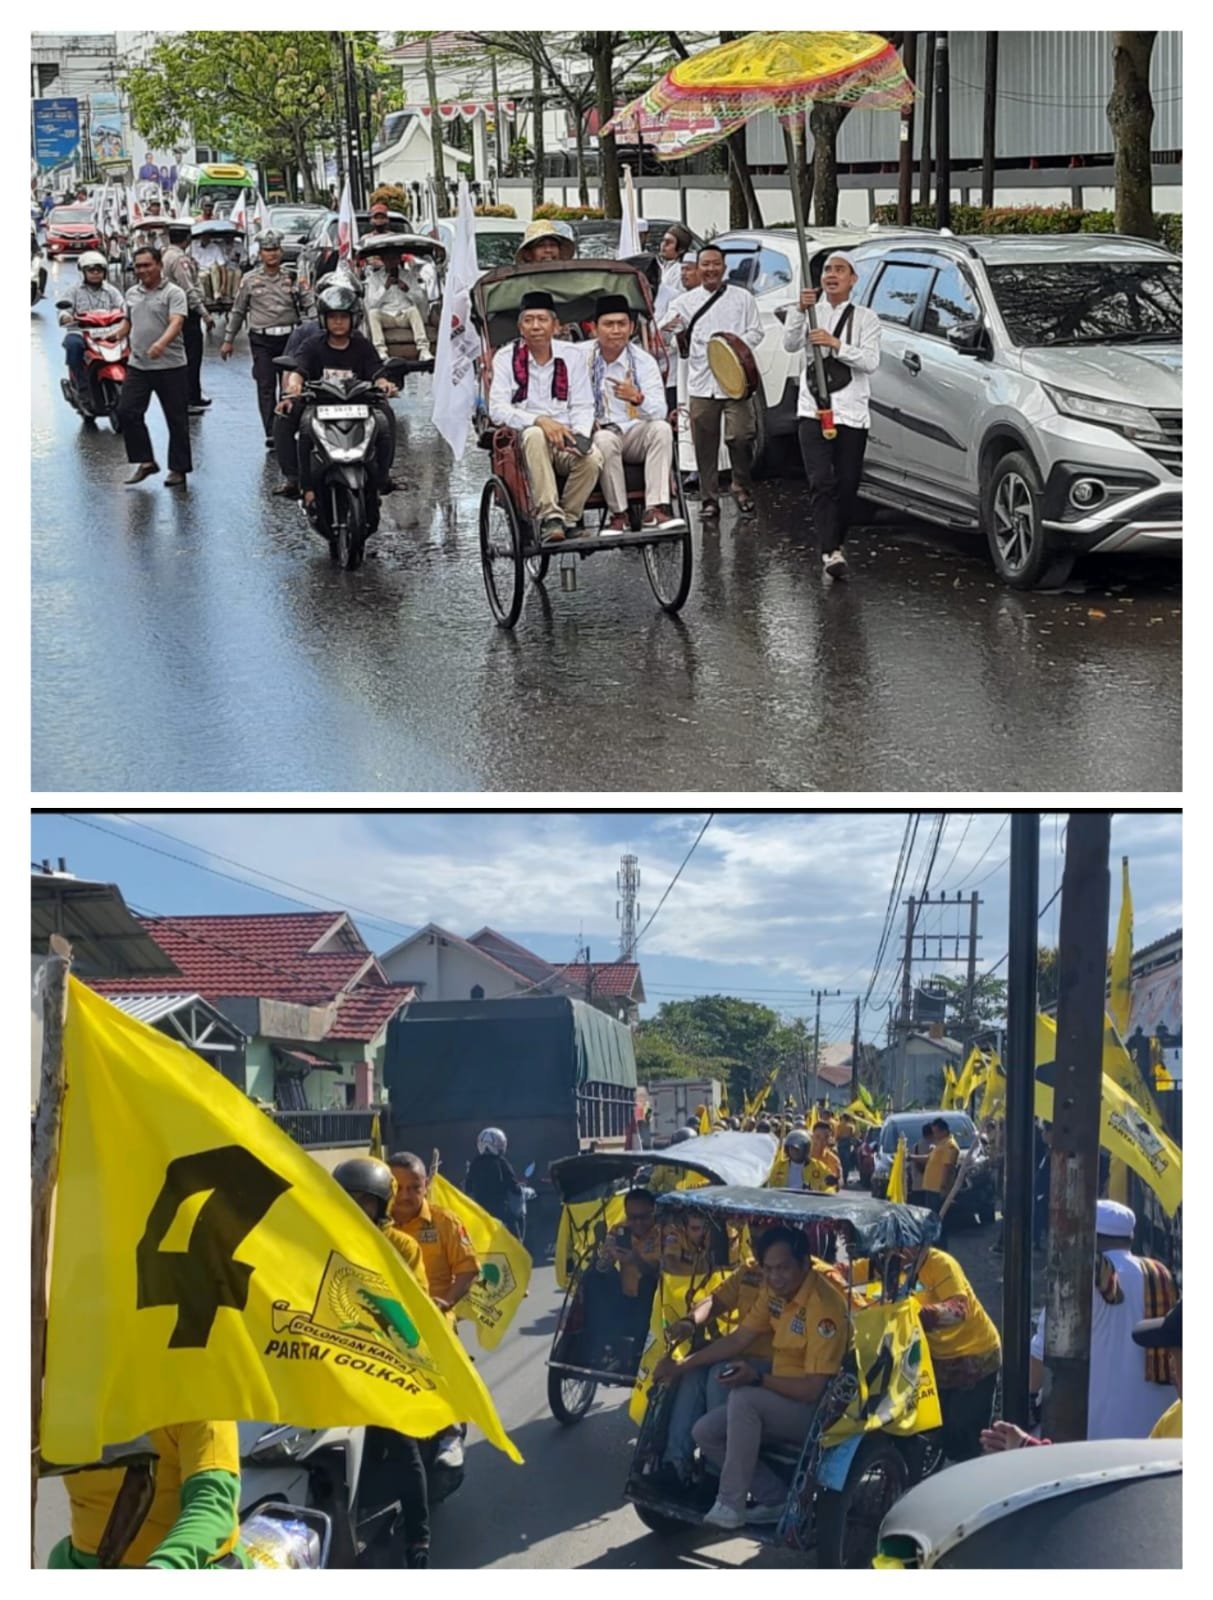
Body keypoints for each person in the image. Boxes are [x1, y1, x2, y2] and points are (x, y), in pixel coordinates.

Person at [662, 1226, 848, 1529]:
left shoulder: (823, 1307)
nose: (775, 1277)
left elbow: (813, 1390)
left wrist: (757, 1380)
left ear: (805, 1264)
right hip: (780, 1398)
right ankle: (775, 1498)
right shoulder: (774, 1294)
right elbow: (737, 1340)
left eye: (784, 1268)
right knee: (704, 1431)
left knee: (744, 1397)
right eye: (770, 1269)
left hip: (815, 1414)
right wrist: (679, 1366)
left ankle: (730, 1502)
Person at [331, 1158, 431, 1569]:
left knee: (404, 1450)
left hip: (386, 1359)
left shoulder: (401, 1246)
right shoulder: (322, 1240)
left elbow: (411, 1303)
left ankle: (418, 1539)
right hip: (336, 1359)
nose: (357, 1210)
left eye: (364, 1203)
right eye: (347, 1202)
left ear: (379, 1206)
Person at [1029, 1200, 1178, 1440]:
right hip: (1160, 1427)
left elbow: (1039, 1357)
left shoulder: (1079, 1277)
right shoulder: (1161, 1274)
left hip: (1096, 1432)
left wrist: (1027, 1402)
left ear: (1087, 1234)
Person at [487, 288, 603, 545]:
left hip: (565, 435)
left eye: (542, 320)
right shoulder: (506, 358)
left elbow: (584, 404)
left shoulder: (572, 356)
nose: (535, 326)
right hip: (525, 442)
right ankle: (550, 516)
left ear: (556, 326)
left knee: (592, 458)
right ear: (520, 328)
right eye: (529, 321)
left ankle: (569, 520)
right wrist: (539, 420)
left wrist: (579, 436)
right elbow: (497, 409)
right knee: (535, 434)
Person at [387, 1151, 480, 1471]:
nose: (406, 1195)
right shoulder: (373, 1223)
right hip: (385, 1316)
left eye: (414, 1187)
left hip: (435, 1314)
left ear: (425, 1186)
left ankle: (451, 1433)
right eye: (398, 1187)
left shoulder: (445, 1222)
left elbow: (467, 1270)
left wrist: (446, 1302)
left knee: (445, 1362)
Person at [48, 1424, 248, 1568]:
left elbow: (212, 1504)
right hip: (81, 1563)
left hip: (188, 1565)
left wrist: (164, 1567)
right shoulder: (63, 1396)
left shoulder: (196, 1396)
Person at [277, 282, 400, 512]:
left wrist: (385, 385)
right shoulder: (312, 344)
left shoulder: (362, 345)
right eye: (333, 316)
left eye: (344, 316)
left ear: (354, 318)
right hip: (318, 404)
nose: (338, 322)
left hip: (358, 404)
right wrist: (294, 386)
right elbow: (299, 370)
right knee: (287, 418)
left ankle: (382, 476)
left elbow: (378, 373)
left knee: (386, 419)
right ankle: (299, 481)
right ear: (323, 319)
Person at [662, 243, 763, 520]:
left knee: (741, 435)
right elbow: (670, 341)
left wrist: (733, 348)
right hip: (701, 382)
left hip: (735, 382)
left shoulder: (742, 298)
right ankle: (710, 498)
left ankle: (740, 484)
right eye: (704, 264)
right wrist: (673, 333)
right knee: (704, 443)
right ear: (698, 268)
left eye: (715, 264)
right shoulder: (683, 303)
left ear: (724, 267)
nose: (710, 269)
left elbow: (756, 332)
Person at [657, 1254, 773, 1487]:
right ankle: (675, 1463)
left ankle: (716, 1472)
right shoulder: (749, 1269)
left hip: (773, 1364)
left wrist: (681, 1364)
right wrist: (690, 1321)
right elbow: (716, 1301)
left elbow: (738, 1340)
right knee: (694, 1375)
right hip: (740, 1355)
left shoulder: (791, 1275)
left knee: (719, 1373)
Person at [585, 293, 684, 534]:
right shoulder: (581, 358)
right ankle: (619, 514)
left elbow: (660, 411)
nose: (616, 330)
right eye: (608, 324)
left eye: (621, 324)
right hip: (600, 434)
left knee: (661, 429)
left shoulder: (643, 361)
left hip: (635, 432)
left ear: (631, 328)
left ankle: (656, 509)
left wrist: (637, 397)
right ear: (595, 328)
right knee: (604, 440)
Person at [222, 230, 314, 446]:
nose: (271, 254)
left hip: (290, 339)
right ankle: (272, 431)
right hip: (262, 340)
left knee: (292, 384)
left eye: (275, 250)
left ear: (281, 252)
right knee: (265, 385)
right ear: (260, 254)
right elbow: (238, 311)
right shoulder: (250, 280)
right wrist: (228, 339)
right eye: (267, 250)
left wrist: (313, 330)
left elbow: (309, 304)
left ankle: (290, 425)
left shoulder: (292, 277)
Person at [911, 1245, 1002, 1461]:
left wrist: (921, 1314)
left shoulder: (940, 1264)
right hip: (936, 1357)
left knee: (964, 1436)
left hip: (974, 1356)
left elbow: (959, 1310)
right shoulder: (887, 1264)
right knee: (935, 1425)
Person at [116, 245, 192, 489]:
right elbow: (129, 321)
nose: (143, 270)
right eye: (138, 266)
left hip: (171, 366)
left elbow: (177, 322)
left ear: (159, 265)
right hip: (139, 364)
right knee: (127, 412)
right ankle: (146, 461)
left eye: (147, 265)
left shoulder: (174, 293)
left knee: (176, 419)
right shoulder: (131, 293)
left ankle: (178, 469)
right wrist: (115, 335)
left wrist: (161, 343)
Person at [580, 1186, 663, 1369]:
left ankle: (636, 1355)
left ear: (653, 1212)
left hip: (653, 1300)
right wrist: (606, 1258)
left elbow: (661, 1272)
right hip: (624, 1296)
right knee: (592, 1278)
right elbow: (602, 1268)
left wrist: (635, 1259)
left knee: (646, 1283)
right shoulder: (619, 1231)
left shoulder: (664, 1233)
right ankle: (595, 1344)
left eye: (644, 1217)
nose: (638, 1223)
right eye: (633, 1217)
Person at [162, 219, 213, 414]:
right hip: (185, 311)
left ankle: (191, 395)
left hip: (173, 310)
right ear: (188, 239)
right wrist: (204, 313)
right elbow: (188, 288)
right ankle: (190, 397)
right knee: (192, 356)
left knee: (183, 356)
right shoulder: (179, 259)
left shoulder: (167, 255)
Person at [59, 252, 125, 392]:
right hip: (81, 331)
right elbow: (64, 310)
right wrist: (66, 316)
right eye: (91, 270)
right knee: (73, 345)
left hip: (109, 331)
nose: (95, 273)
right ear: (83, 273)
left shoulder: (112, 291)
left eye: (99, 270)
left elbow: (122, 306)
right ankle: (81, 385)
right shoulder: (74, 291)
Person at [363, 246, 433, 363]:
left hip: (403, 314)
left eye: (394, 258)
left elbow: (421, 299)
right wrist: (384, 287)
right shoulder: (375, 278)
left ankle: (423, 350)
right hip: (386, 316)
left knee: (413, 310)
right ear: (383, 260)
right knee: (373, 313)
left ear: (398, 259)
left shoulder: (408, 275)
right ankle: (380, 350)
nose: (391, 262)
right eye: (388, 259)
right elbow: (371, 303)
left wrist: (407, 289)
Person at [463, 1127, 523, 1230]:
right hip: (501, 1213)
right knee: (515, 1238)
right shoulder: (501, 1163)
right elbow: (514, 1187)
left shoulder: (475, 1163)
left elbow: (468, 1187)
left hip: (479, 1213)